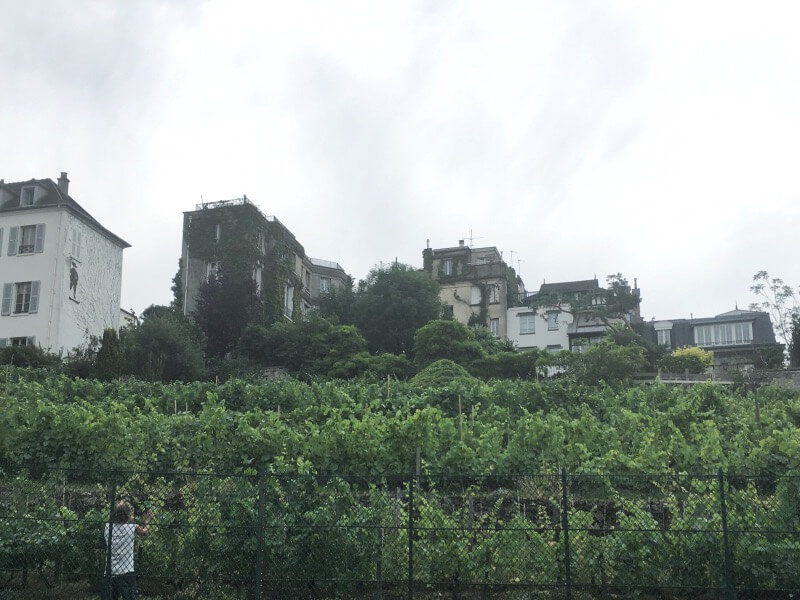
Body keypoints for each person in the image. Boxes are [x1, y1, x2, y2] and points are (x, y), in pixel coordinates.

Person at [103, 500, 152, 600]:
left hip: (109, 572)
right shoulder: (132, 526)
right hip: (126, 572)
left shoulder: (108, 526)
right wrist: (147, 522)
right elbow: (144, 532)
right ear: (127, 513)